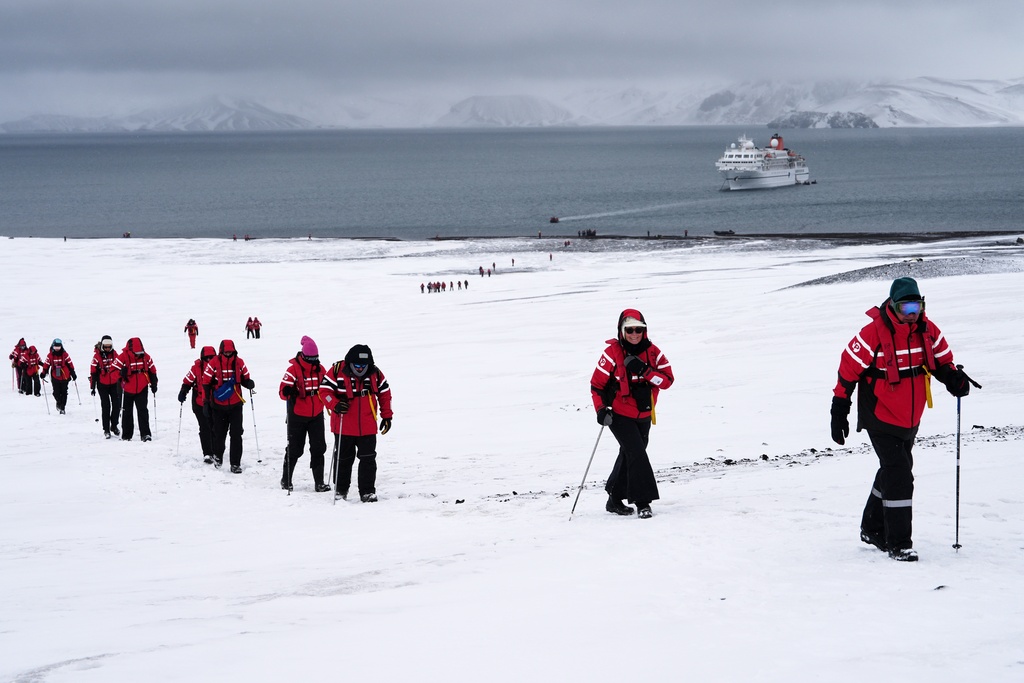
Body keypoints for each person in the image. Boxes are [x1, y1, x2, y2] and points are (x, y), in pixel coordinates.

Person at [832, 277, 971, 562]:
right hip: (879, 414)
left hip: (910, 416)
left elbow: (942, 362)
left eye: (917, 306)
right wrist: (839, 409)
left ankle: (871, 527)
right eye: (906, 307)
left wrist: (954, 379)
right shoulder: (872, 334)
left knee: (894, 468)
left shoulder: (928, 330)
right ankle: (898, 543)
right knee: (899, 474)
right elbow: (848, 370)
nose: (912, 313)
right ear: (893, 306)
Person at [590, 309, 674, 519]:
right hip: (618, 414)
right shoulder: (611, 354)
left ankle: (614, 498)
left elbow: (667, 382)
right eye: (630, 330)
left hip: (644, 412)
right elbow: (596, 385)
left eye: (639, 329)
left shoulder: (654, 352)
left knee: (630, 453)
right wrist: (600, 410)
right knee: (637, 452)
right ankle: (643, 502)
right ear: (622, 330)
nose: (634, 334)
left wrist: (645, 371)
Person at [319, 344, 393, 502]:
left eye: (363, 365)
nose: (360, 369)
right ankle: (340, 490)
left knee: (368, 459)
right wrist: (335, 404)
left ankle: (367, 492)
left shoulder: (376, 373)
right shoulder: (337, 371)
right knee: (343, 459)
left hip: (367, 425)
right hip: (343, 424)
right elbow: (324, 391)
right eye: (357, 365)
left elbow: (385, 393)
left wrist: (387, 416)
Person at [279, 336, 329, 492]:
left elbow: (327, 390)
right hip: (297, 415)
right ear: (304, 356)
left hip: (317, 415)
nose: (314, 361)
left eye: (316, 358)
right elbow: (282, 392)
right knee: (295, 449)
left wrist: (333, 403)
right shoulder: (292, 370)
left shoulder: (321, 370)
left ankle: (319, 482)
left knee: (319, 448)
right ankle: (286, 480)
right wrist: (288, 391)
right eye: (311, 358)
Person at [202, 340, 254, 473]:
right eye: (226, 352)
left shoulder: (239, 362)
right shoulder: (213, 363)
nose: (229, 354)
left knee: (236, 434)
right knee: (219, 434)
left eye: (231, 352)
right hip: (218, 406)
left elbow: (244, 377)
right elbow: (206, 382)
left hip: (236, 404)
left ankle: (235, 463)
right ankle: (218, 457)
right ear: (221, 352)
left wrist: (248, 383)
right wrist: (206, 402)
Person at [112, 337, 158, 442]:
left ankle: (145, 434)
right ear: (131, 350)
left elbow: (152, 370)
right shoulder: (122, 357)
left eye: (140, 352)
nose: (139, 354)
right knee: (126, 412)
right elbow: (112, 371)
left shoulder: (146, 357)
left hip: (142, 388)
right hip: (126, 389)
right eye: (137, 352)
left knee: (143, 411)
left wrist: (154, 383)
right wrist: (120, 373)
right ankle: (127, 435)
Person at [178, 345, 217, 463]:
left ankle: (216, 450)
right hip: (199, 402)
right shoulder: (196, 368)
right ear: (202, 357)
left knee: (215, 427)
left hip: (216, 402)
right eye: (207, 358)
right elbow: (188, 381)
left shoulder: (219, 366)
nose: (209, 360)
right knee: (205, 426)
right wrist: (183, 391)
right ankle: (208, 453)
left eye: (212, 357)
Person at [90, 336, 122, 438]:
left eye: (109, 347)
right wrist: (93, 387)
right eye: (106, 347)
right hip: (102, 384)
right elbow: (93, 372)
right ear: (103, 346)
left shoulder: (115, 354)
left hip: (114, 384)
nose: (108, 348)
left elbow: (120, 366)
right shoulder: (96, 357)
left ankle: (114, 425)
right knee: (106, 406)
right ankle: (106, 429)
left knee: (117, 405)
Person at [41, 338, 77, 414]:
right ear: (53, 346)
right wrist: (43, 372)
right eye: (55, 347)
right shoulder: (50, 355)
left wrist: (73, 373)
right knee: (56, 393)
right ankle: (59, 402)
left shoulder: (65, 354)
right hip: (55, 376)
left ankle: (62, 407)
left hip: (65, 376)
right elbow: (46, 364)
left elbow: (70, 364)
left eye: (58, 347)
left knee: (64, 392)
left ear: (61, 346)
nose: (57, 349)